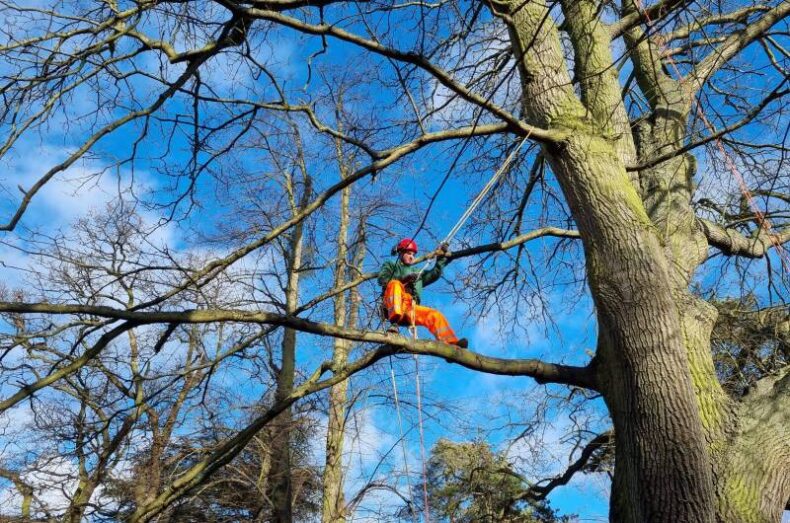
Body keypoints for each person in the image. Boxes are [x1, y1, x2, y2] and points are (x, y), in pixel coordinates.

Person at [378, 238, 468, 348]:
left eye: (413, 254)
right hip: (394, 304)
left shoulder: (417, 273)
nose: (411, 256)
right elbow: (383, 279)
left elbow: (434, 273)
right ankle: (394, 323)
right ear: (401, 252)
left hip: (410, 307)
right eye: (408, 253)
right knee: (395, 284)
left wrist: (441, 259)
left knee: (434, 315)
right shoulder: (392, 265)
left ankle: (451, 344)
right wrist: (404, 279)